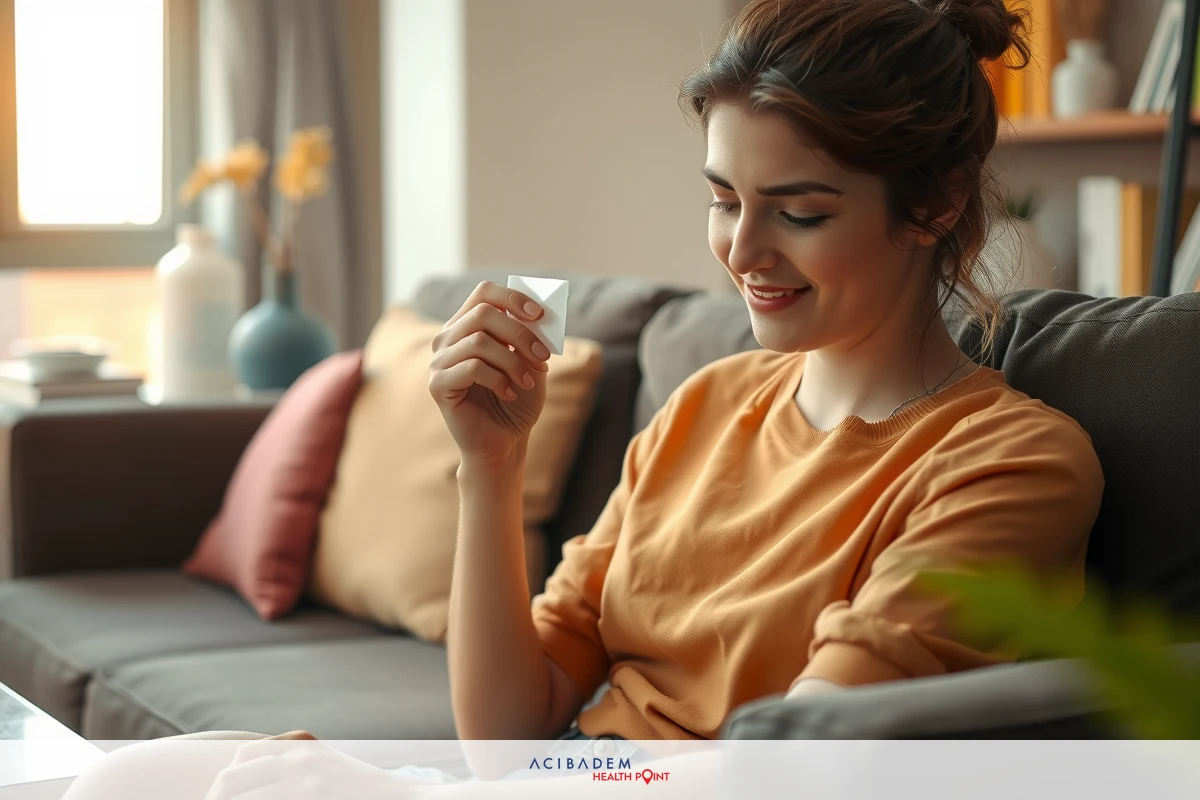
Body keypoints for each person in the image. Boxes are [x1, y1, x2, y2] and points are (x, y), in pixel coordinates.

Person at [63, 0, 1103, 797]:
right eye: (724, 198)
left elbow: (784, 770)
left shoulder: (1006, 464)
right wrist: (489, 462)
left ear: (935, 204)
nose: (742, 251)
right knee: (140, 775)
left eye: (799, 210)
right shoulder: (709, 403)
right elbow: (507, 731)